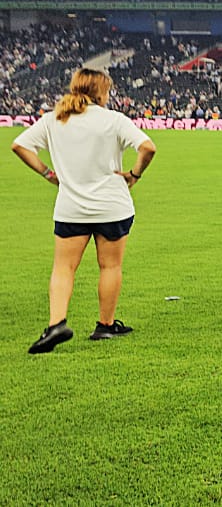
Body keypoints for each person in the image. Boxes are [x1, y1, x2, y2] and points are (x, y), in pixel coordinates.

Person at [12, 68, 156, 354]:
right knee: (110, 266)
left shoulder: (55, 118)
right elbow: (147, 147)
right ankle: (105, 326)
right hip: (112, 205)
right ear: (100, 91)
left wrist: (48, 174)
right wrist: (134, 175)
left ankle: (56, 324)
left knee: (64, 268)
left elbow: (20, 146)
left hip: (71, 207)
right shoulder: (113, 119)